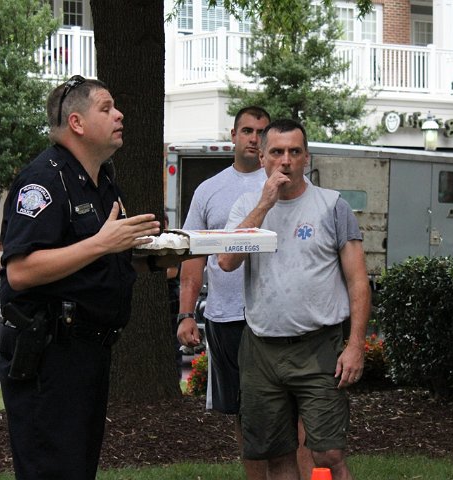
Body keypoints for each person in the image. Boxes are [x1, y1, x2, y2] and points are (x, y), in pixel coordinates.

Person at [0, 75, 177, 479]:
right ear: (76, 123)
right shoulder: (44, 181)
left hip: (89, 352)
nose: (119, 115)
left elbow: (99, 261)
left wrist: (157, 258)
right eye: (106, 108)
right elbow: (20, 272)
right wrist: (101, 243)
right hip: (50, 355)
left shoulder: (102, 180)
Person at [218, 119, 371, 480]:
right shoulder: (246, 207)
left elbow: (358, 281)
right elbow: (226, 261)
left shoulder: (332, 206)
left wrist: (355, 345)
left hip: (318, 347)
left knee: (328, 453)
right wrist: (264, 204)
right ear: (262, 158)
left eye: (294, 152)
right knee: (277, 456)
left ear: (306, 157)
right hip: (262, 350)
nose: (285, 160)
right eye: (276, 152)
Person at [177, 105, 288, 480]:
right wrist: (186, 314)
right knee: (243, 412)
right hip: (225, 316)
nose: (254, 139)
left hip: (272, 316)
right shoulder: (209, 190)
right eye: (247, 131)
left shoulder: (283, 183)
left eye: (261, 132)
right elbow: (193, 256)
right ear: (233, 136)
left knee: (281, 408)